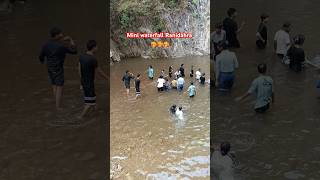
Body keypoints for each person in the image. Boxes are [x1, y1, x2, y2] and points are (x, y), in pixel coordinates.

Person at [39, 27, 77, 110]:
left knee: (54, 85)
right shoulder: (61, 46)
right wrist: (71, 40)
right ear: (56, 36)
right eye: (60, 33)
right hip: (58, 68)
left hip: (49, 67)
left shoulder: (46, 44)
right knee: (59, 86)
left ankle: (56, 103)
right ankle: (58, 107)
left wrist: (43, 62)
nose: (62, 34)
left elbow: (41, 56)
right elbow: (74, 51)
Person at [79, 40, 107, 118]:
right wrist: (107, 78)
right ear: (93, 48)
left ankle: (95, 111)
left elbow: (79, 69)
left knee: (92, 98)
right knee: (89, 103)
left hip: (84, 81)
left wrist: (81, 81)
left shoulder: (81, 56)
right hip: (89, 83)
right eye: (96, 46)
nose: (97, 48)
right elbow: (99, 71)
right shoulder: (93, 59)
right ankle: (80, 117)